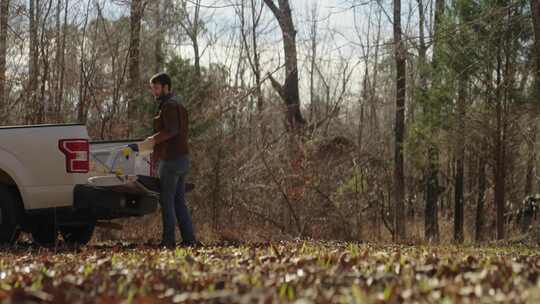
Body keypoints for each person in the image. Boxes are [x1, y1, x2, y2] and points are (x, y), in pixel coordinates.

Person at [140, 72, 197, 248]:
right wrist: (154, 157)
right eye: (152, 88)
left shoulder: (169, 106)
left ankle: (168, 241)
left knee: (167, 201)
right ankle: (189, 240)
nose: (154, 92)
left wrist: (152, 140)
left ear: (166, 87)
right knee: (179, 200)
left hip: (172, 161)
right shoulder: (179, 106)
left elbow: (172, 131)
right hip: (182, 159)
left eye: (156, 88)